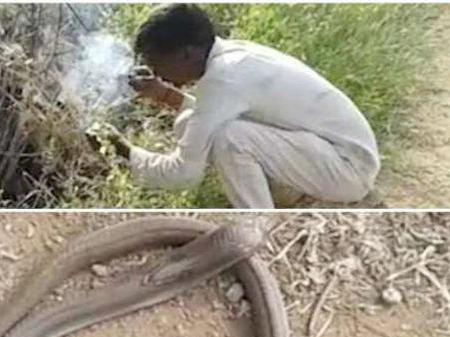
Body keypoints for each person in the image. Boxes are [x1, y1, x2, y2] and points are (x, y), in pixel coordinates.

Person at [111, 4, 380, 208]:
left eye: (158, 64)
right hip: (338, 155)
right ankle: (286, 188)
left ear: (187, 54)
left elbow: (183, 173)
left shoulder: (223, 80)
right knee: (189, 124)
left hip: (348, 171)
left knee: (230, 139)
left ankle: (257, 220)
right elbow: (209, 112)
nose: (156, 73)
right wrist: (164, 94)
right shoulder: (231, 58)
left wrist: (123, 151)